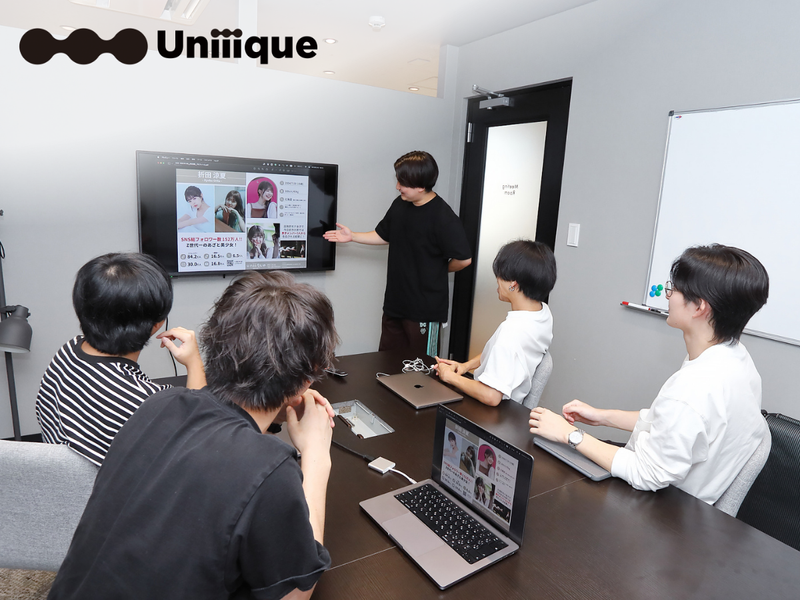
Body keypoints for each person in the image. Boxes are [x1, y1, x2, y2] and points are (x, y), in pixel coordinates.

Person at [48, 271, 339, 600]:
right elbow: (297, 592)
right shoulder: (269, 468)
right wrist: (316, 455)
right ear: (307, 378)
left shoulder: (158, 404)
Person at [530, 244, 770, 505]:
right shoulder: (737, 359)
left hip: (660, 508)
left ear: (699, 307)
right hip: (688, 501)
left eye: (673, 289)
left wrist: (569, 434)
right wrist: (602, 417)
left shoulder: (694, 388)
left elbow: (646, 473)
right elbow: (670, 423)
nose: (668, 296)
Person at [36, 253, 206, 466]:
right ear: (157, 324)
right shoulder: (149, 403)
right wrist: (194, 362)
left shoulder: (68, 351)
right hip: (115, 486)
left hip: (66, 476)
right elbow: (202, 442)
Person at [323, 151, 472, 355]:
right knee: (386, 362)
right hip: (394, 305)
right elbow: (383, 235)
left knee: (421, 368)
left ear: (420, 186)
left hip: (425, 311)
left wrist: (439, 269)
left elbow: (464, 259)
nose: (397, 186)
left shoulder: (443, 217)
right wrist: (352, 236)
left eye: (402, 183)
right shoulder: (400, 204)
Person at [433, 240, 555, 407]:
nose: (497, 280)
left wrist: (450, 377)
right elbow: (502, 356)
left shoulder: (511, 332)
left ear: (513, 284)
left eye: (500, 275)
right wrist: (465, 366)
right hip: (514, 406)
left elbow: (491, 396)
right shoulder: (542, 313)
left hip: (497, 411)